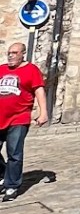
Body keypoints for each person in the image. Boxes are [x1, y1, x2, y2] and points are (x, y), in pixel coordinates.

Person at [0, 43, 48, 201]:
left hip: (19, 118)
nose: (11, 56)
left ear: (23, 54)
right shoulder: (2, 69)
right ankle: (4, 175)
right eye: (9, 53)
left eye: (14, 53)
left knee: (14, 153)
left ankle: (11, 186)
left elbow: (39, 90)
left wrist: (43, 112)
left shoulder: (31, 70)